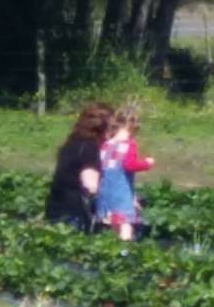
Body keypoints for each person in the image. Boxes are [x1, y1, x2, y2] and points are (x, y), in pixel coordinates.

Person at [45, 102, 114, 232]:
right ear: (104, 128)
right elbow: (90, 185)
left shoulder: (71, 143)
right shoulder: (90, 147)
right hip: (75, 214)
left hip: (56, 206)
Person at [96, 106, 154, 241]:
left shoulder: (106, 144)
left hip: (104, 191)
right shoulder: (129, 145)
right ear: (133, 127)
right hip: (120, 193)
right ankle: (125, 249)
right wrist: (147, 163)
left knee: (114, 223)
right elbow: (130, 165)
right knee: (126, 225)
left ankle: (114, 247)